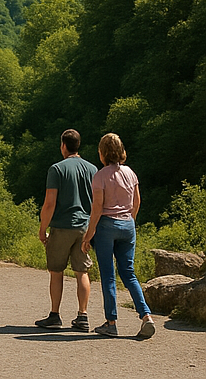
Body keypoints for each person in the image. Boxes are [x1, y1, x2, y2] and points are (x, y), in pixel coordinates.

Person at [81, 133, 155, 339]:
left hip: (106, 225)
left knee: (108, 275)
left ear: (102, 153)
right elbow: (136, 203)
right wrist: (128, 220)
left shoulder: (100, 176)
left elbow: (97, 208)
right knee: (129, 273)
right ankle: (146, 316)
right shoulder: (131, 173)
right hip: (127, 225)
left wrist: (88, 236)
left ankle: (111, 322)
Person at [34, 128, 98, 331]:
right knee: (82, 271)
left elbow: (49, 203)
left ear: (63, 145)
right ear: (78, 145)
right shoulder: (92, 169)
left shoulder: (57, 169)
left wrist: (43, 228)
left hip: (62, 227)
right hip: (84, 227)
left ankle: (54, 315)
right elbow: (97, 201)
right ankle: (83, 315)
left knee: (56, 271)